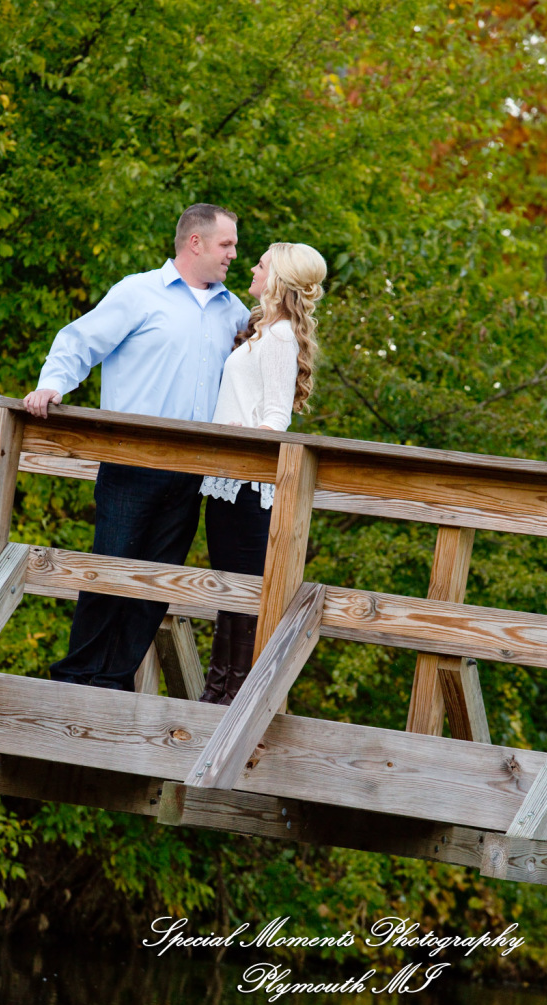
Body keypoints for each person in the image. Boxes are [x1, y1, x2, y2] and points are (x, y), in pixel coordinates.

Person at [24, 204, 250, 691]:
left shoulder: (234, 310)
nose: (234, 253)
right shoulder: (139, 292)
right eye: (226, 244)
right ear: (196, 243)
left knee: (156, 584)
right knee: (111, 569)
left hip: (195, 469)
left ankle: (115, 682)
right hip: (132, 461)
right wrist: (53, 386)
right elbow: (78, 341)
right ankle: (76, 680)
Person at [198, 241, 327, 705]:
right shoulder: (262, 329)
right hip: (227, 483)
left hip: (250, 488)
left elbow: (277, 418)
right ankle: (221, 690)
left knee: (245, 593)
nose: (252, 267)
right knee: (229, 588)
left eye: (262, 264)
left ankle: (236, 696)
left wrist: (243, 435)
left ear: (278, 279)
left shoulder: (279, 337)